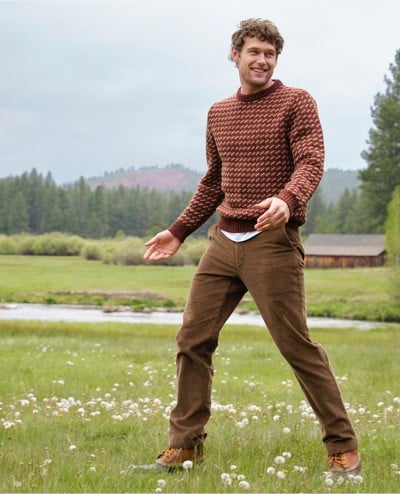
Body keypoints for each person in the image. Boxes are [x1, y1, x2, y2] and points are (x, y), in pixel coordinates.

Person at [143, 18, 360, 475]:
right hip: (223, 242)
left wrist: (287, 198)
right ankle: (184, 446)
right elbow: (213, 181)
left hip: (272, 243)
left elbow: (311, 161)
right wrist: (179, 230)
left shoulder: (296, 102)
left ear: (276, 60)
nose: (262, 60)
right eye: (254, 51)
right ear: (235, 55)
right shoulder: (218, 113)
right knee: (192, 339)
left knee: (295, 345)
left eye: (270, 53)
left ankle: (343, 448)